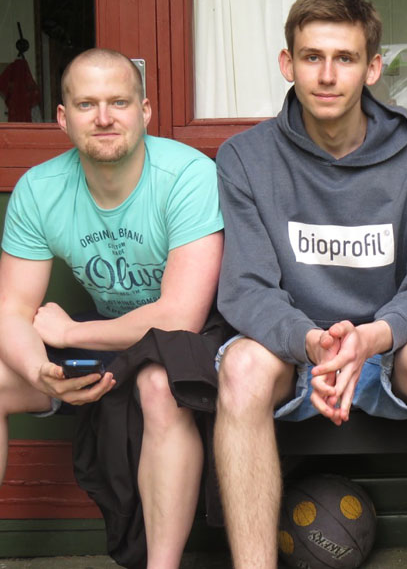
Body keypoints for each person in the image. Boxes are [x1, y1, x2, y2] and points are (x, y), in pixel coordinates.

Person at [213, 0, 407, 569]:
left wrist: (370, 339)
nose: (328, 75)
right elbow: (247, 287)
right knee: (241, 368)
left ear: (372, 68)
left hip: (388, 349)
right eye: (312, 57)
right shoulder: (245, 158)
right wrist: (312, 343)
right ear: (288, 63)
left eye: (345, 58)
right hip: (292, 351)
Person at [0, 48, 224, 569]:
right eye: (87, 104)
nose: (104, 117)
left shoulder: (186, 174)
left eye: (119, 102)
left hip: (192, 338)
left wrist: (71, 333)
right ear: (63, 117)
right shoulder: (39, 189)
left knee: (159, 386)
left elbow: (180, 317)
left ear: (144, 111)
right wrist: (39, 370)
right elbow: (11, 310)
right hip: (108, 334)